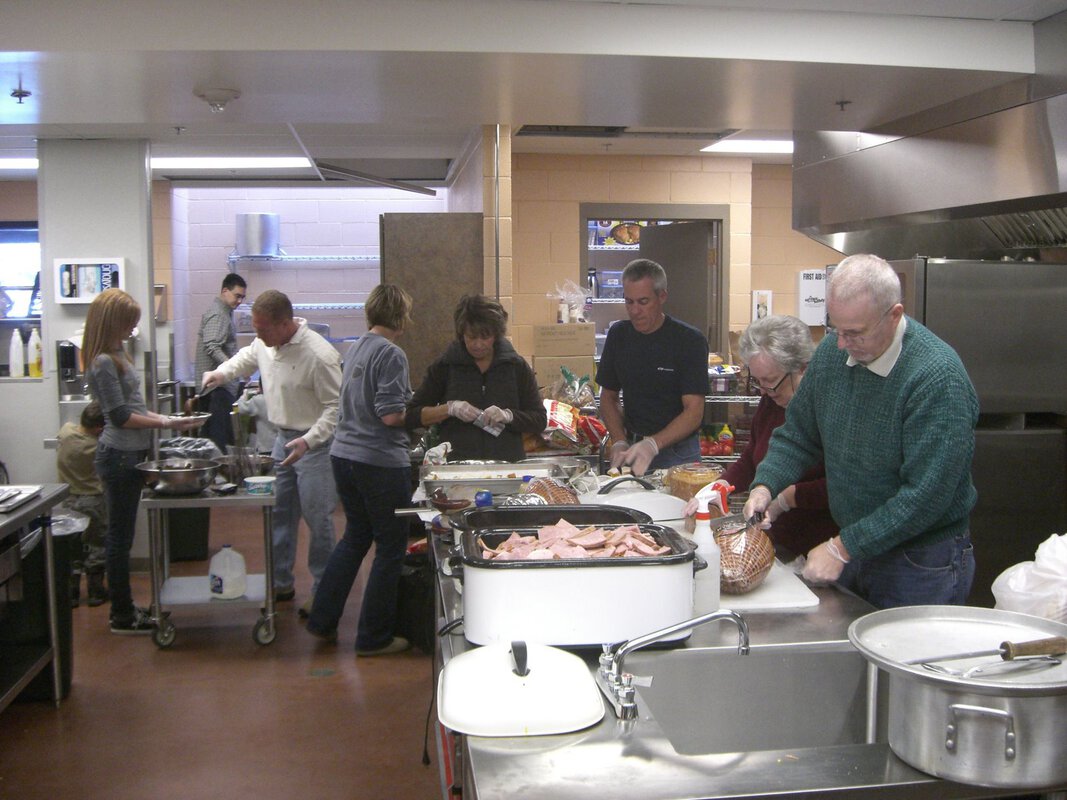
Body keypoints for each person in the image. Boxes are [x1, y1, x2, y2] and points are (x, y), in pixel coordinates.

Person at [744, 254, 978, 609]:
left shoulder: (936, 378)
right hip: (859, 547)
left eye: (854, 333)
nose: (841, 344)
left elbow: (926, 496)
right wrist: (765, 486)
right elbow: (798, 435)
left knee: (904, 661)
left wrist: (843, 547)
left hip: (921, 561)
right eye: (836, 328)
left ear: (895, 315)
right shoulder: (832, 357)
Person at [201, 289, 341, 608]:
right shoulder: (265, 343)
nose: (257, 335)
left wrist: (309, 440)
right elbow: (246, 357)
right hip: (282, 440)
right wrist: (220, 374)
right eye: (255, 328)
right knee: (279, 513)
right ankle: (280, 583)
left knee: (317, 518)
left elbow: (336, 409)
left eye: (262, 329)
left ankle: (324, 591)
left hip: (314, 445)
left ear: (284, 323)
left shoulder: (319, 355)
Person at [84, 289, 201, 634]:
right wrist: (165, 423)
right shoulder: (103, 362)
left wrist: (171, 421)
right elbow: (121, 416)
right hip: (119, 456)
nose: (133, 328)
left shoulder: (117, 354)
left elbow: (134, 409)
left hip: (130, 455)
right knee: (120, 540)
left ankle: (126, 609)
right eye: (129, 322)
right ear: (111, 322)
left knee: (123, 535)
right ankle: (122, 615)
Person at [306, 284, 415, 656]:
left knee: (355, 538)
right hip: (379, 462)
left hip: (344, 456)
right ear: (401, 317)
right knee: (390, 548)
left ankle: (321, 619)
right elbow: (389, 414)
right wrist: (425, 413)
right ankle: (373, 637)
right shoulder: (392, 353)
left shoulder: (356, 348)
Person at [687, 315, 837, 559]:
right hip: (778, 543)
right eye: (758, 382)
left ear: (802, 367)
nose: (764, 391)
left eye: (770, 381)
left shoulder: (827, 409)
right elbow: (752, 457)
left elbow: (839, 484)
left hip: (822, 547)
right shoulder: (771, 402)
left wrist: (787, 498)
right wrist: (722, 485)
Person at [596, 258, 709, 475]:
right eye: (629, 302)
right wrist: (619, 440)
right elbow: (608, 396)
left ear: (662, 296)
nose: (635, 310)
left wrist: (653, 444)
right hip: (632, 447)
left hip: (678, 452)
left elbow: (694, 411)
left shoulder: (688, 340)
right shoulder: (619, 335)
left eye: (643, 301)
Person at [406, 294, 546, 462]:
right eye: (471, 337)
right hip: (457, 466)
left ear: (496, 334)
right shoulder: (445, 366)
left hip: (507, 465)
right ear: (461, 334)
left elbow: (539, 420)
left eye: (485, 337)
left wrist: (508, 415)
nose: (478, 344)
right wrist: (449, 409)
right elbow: (412, 415)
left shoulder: (517, 367)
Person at [56, 401, 109, 608]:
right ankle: (96, 591)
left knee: (71, 546)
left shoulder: (66, 432)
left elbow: (66, 429)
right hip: (92, 500)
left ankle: (72, 593)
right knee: (96, 544)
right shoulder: (96, 446)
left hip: (68, 499)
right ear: (99, 428)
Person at [194, 273, 247, 451]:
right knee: (217, 446)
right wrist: (233, 369)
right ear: (225, 291)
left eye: (242, 297)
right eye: (237, 295)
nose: (239, 301)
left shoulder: (225, 313)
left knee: (218, 445)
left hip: (218, 389)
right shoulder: (219, 315)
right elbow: (212, 346)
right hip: (217, 390)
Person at [236, 381, 278, 455]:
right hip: (280, 445)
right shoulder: (283, 398)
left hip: (265, 447)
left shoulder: (258, 400)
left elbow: (238, 408)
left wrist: (244, 395)